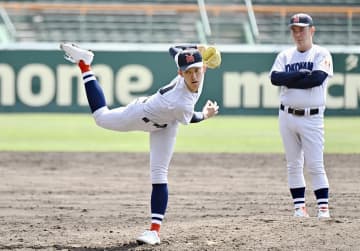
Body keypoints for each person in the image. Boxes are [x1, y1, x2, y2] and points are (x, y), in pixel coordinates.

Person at [60, 42, 220, 244]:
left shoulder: (197, 70)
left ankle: (154, 231)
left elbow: (173, 49)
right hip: (140, 114)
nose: (195, 77)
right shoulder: (180, 102)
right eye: (189, 72)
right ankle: (85, 63)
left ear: (203, 67)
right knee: (101, 117)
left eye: (197, 70)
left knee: (159, 173)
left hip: (167, 124)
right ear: (180, 73)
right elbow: (192, 118)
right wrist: (206, 114)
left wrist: (196, 46)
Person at [269, 13, 333, 218]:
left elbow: (315, 79)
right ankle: (299, 208)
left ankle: (323, 208)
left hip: (312, 117)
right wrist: (299, 74)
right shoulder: (285, 55)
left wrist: (289, 79)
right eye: (295, 30)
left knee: (315, 164)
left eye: (302, 29)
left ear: (311, 30)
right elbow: (275, 79)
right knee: (293, 163)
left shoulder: (321, 54)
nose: (298, 34)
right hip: (286, 116)